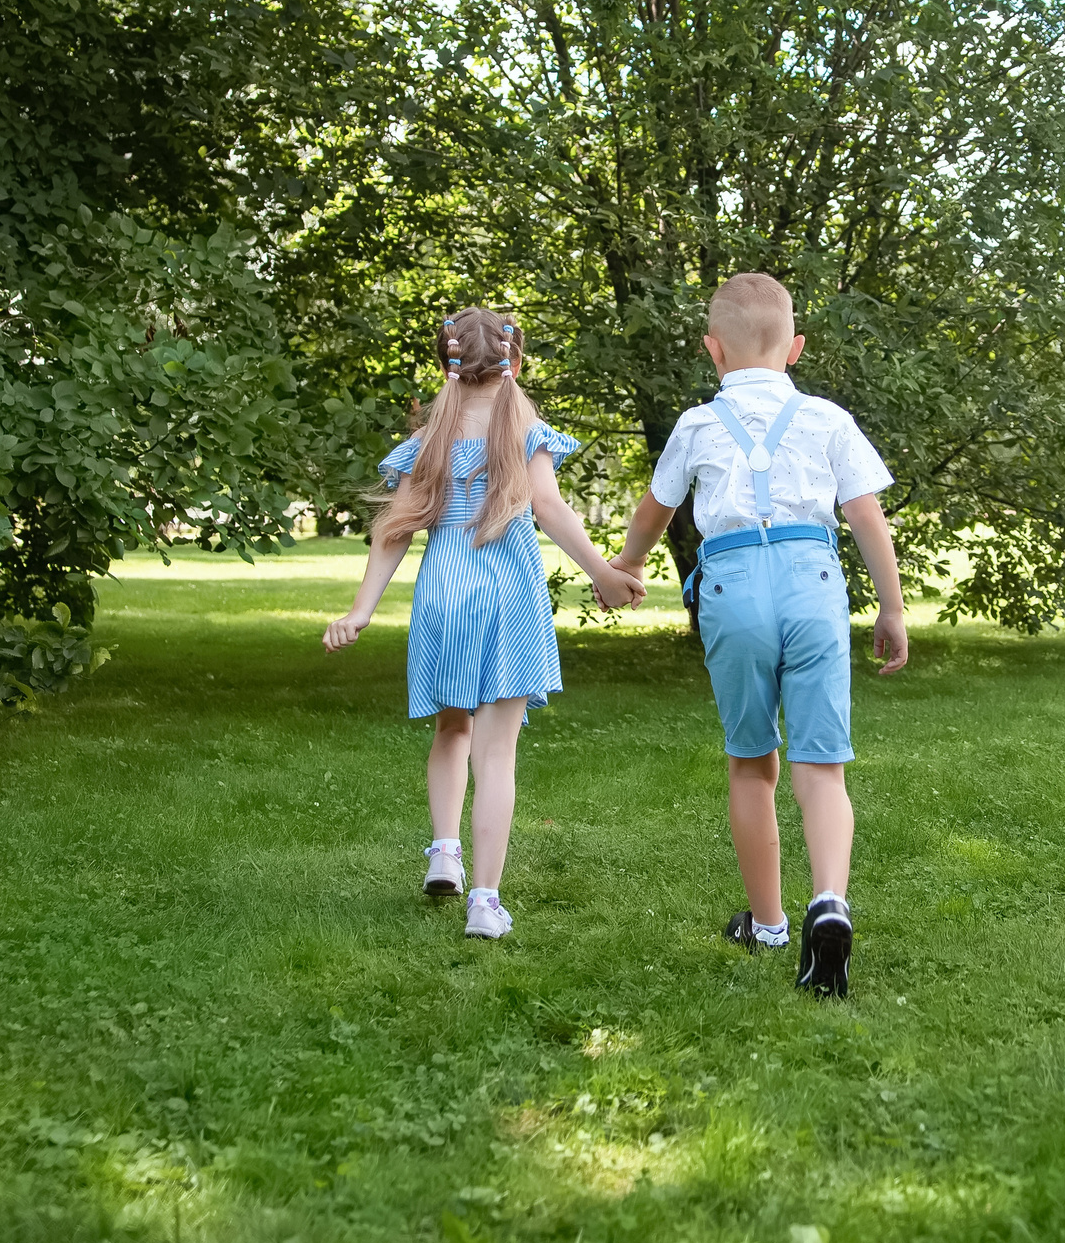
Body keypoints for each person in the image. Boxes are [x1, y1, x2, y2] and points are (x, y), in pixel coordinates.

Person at [608, 273, 909, 996]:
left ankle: (770, 922)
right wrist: (891, 608)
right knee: (821, 764)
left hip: (732, 588)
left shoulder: (697, 425)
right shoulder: (827, 419)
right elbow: (866, 517)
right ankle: (828, 901)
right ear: (795, 347)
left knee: (752, 761)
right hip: (811, 583)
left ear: (713, 350)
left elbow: (655, 510)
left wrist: (625, 563)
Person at [325, 307, 644, 940]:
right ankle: (486, 903)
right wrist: (604, 574)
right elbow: (548, 507)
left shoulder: (427, 441)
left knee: (451, 729)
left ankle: (444, 851)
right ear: (515, 362)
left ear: (445, 364)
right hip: (507, 596)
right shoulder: (526, 428)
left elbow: (394, 532)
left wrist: (361, 611)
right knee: (497, 754)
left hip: (444, 594)